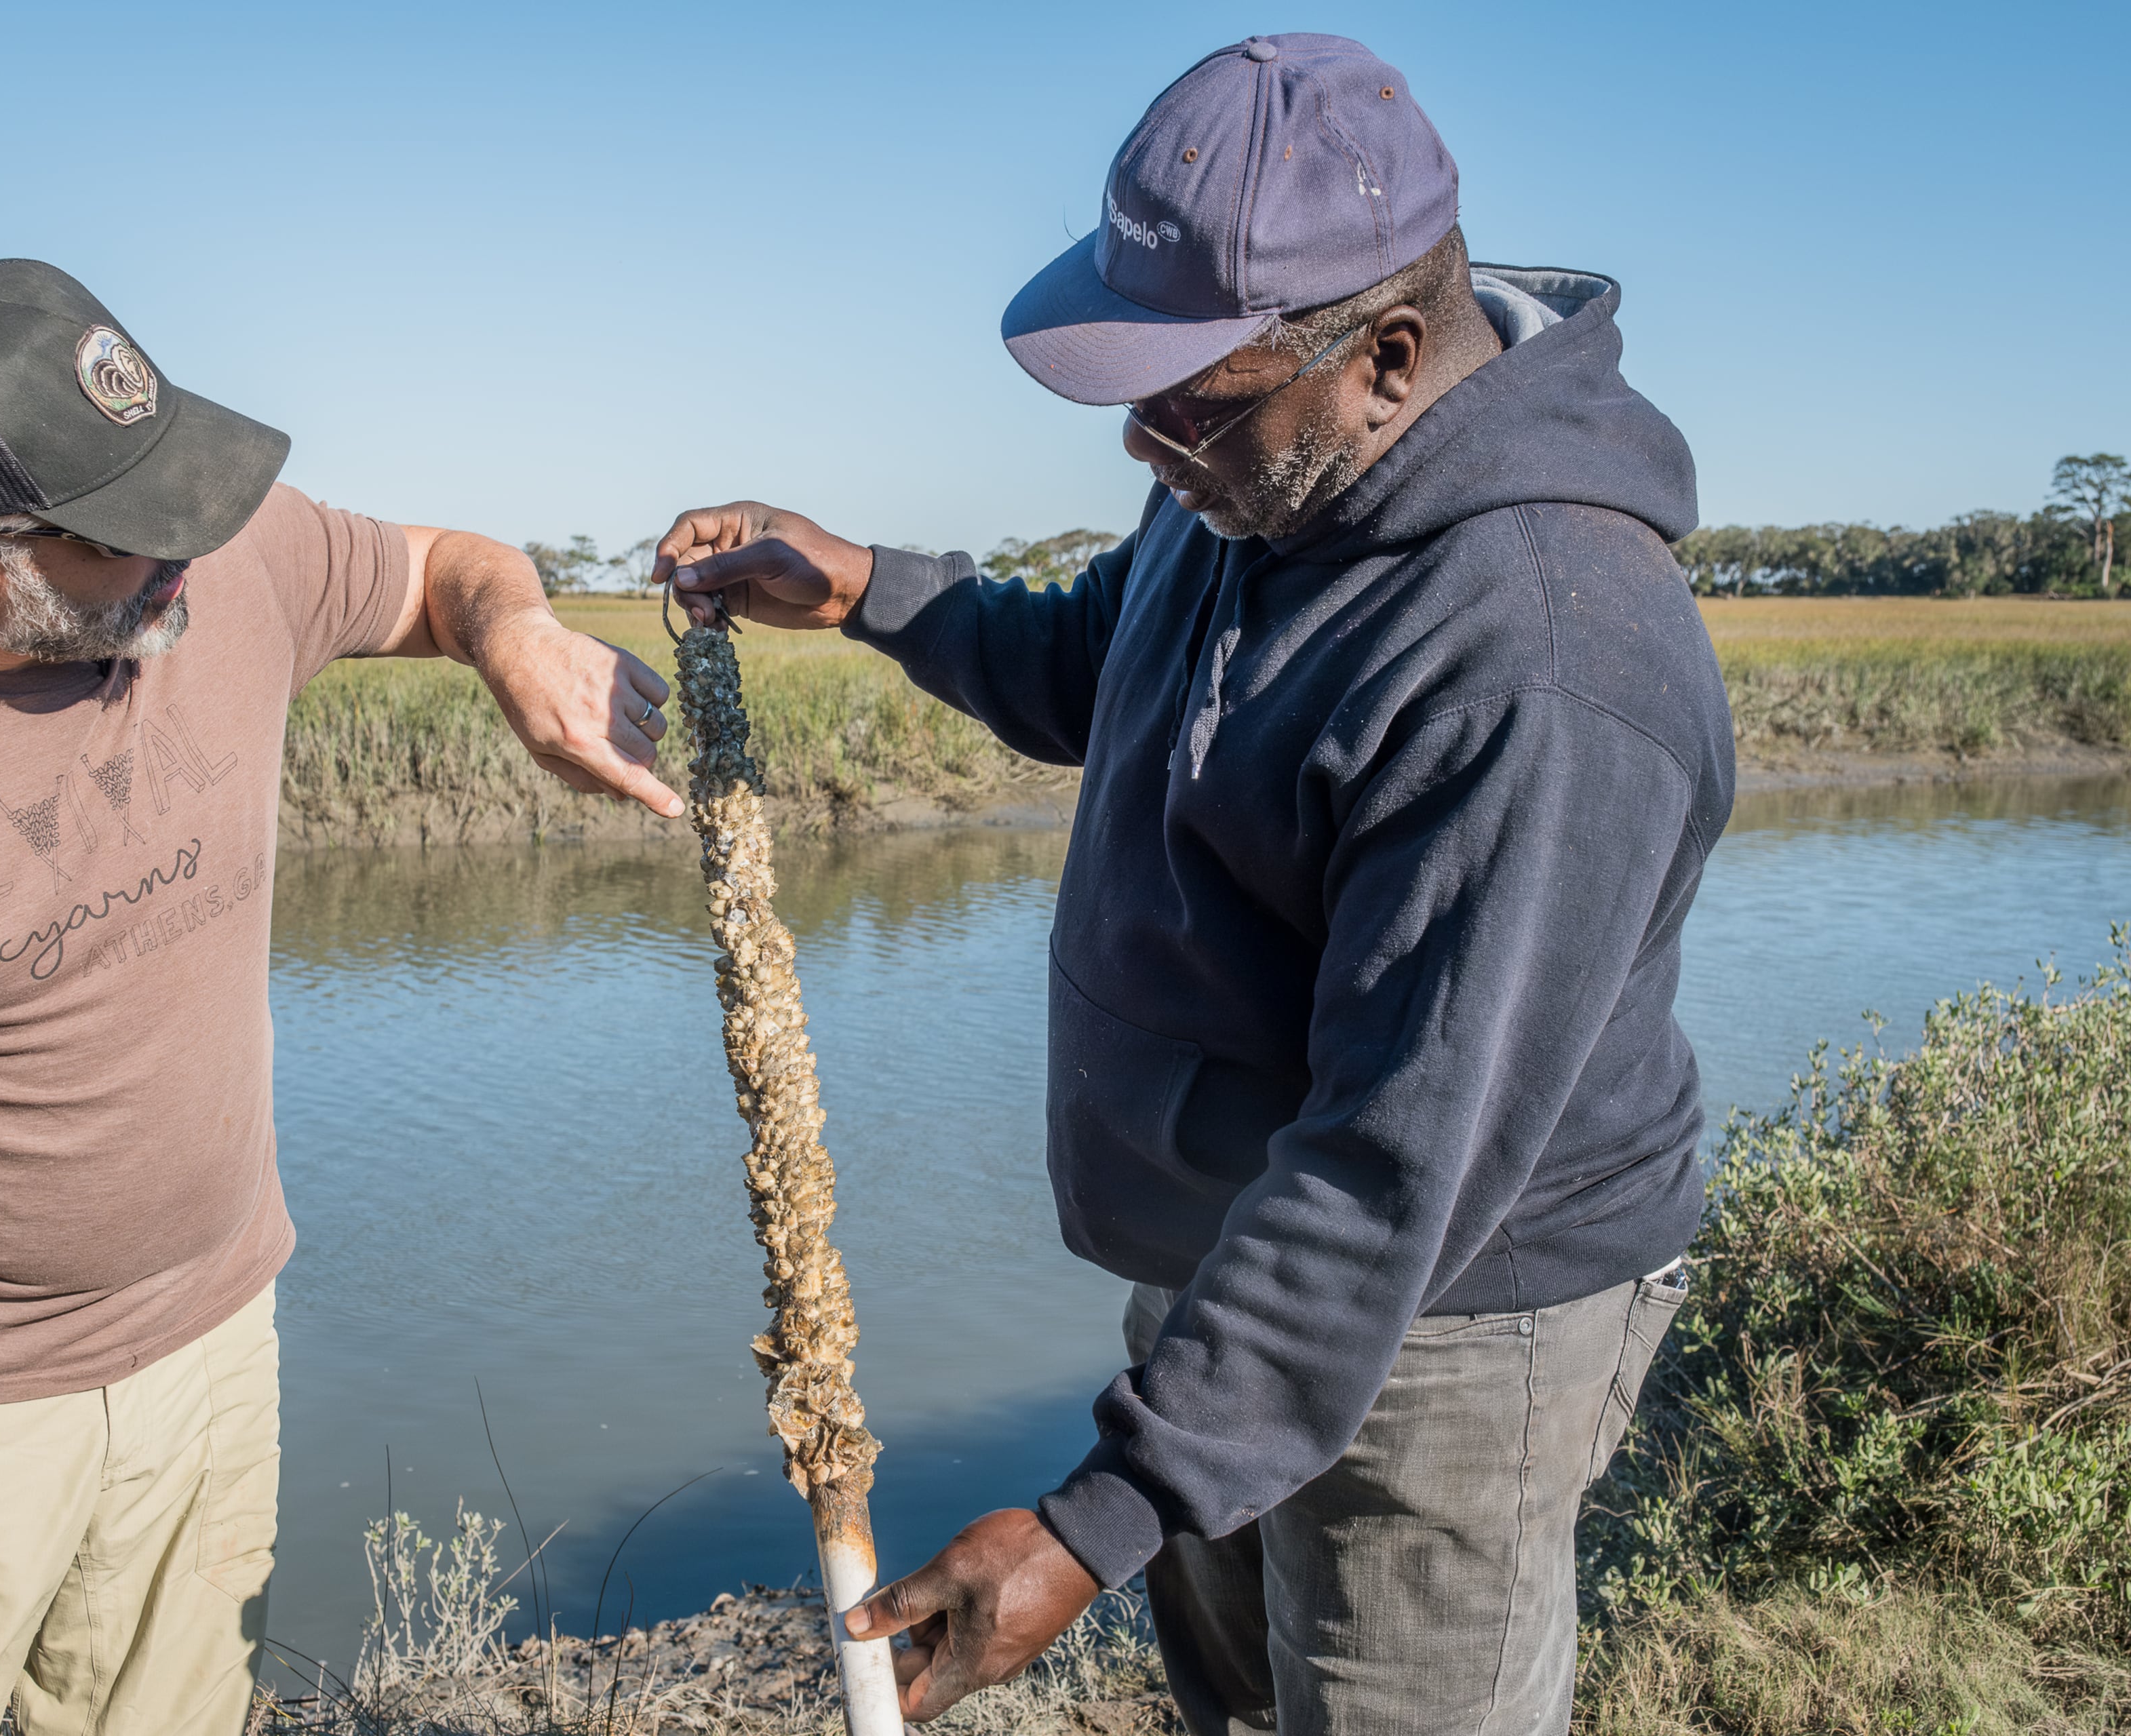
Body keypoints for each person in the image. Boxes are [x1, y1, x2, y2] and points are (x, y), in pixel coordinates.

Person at [658, 34, 1732, 1736]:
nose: (1145, 445)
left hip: (1448, 1318)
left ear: (1385, 355)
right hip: (1241, 1271)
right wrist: (868, 587)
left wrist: (1104, 1514)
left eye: (1184, 400)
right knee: (1230, 1700)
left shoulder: (1544, 655)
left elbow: (1397, 1167)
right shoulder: (1257, 481)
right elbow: (1107, 660)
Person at [0, 258, 683, 1736]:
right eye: (134, 536)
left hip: (212, 1350)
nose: (187, 558)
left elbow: (438, 566)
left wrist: (512, 631)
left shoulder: (220, 554)